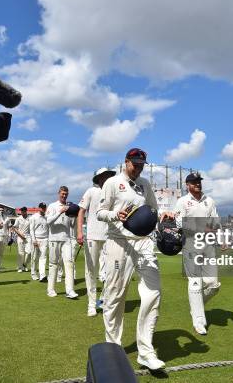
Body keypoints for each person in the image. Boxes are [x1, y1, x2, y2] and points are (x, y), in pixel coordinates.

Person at [96, 147, 164, 370]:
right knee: (115, 296)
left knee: (153, 292)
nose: (138, 168)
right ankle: (112, 348)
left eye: (141, 165)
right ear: (125, 162)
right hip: (118, 242)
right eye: (135, 164)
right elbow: (100, 212)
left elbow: (153, 208)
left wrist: (163, 215)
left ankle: (145, 351)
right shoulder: (113, 183)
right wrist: (116, 214)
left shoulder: (145, 184)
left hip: (143, 242)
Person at [172, 172, 221, 335]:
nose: (197, 184)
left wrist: (222, 239)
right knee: (195, 282)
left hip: (208, 245)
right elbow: (179, 222)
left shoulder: (209, 201)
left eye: (199, 181)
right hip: (191, 244)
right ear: (187, 185)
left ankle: (197, 305)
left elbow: (216, 222)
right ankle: (199, 320)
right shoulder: (182, 202)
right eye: (193, 182)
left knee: (213, 284)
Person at [77, 167, 116, 316]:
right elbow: (81, 211)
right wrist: (80, 232)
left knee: (110, 271)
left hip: (109, 237)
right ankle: (91, 304)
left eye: (108, 176)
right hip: (92, 236)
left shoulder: (113, 193)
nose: (106, 178)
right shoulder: (91, 191)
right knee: (90, 271)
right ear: (99, 178)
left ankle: (104, 300)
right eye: (104, 176)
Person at [46, 186, 78, 299]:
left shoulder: (69, 207)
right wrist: (60, 212)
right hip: (54, 239)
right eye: (62, 194)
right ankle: (50, 289)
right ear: (59, 193)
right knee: (53, 264)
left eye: (66, 194)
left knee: (69, 263)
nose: (64, 196)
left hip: (67, 239)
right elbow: (48, 221)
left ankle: (70, 290)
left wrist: (74, 215)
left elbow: (73, 225)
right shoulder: (52, 206)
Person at [30, 202, 49, 281]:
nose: (43, 209)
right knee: (34, 257)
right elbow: (31, 229)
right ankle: (33, 273)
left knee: (43, 257)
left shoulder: (47, 217)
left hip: (45, 239)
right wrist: (34, 240)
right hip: (36, 239)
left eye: (44, 207)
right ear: (39, 208)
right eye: (42, 207)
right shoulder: (34, 217)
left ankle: (42, 275)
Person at [12, 206, 32, 273]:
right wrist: (20, 235)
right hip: (20, 237)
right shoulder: (18, 219)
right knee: (21, 253)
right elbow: (14, 228)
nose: (22, 212)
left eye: (23, 211)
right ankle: (20, 267)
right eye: (21, 211)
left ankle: (25, 264)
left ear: (26, 211)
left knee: (29, 252)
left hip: (28, 237)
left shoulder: (30, 218)